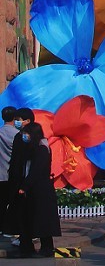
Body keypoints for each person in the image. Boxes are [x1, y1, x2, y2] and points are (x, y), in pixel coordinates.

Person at [4, 121, 60, 257]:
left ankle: (46, 248)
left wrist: (25, 186)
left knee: (42, 219)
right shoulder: (30, 147)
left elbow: (36, 170)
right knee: (26, 218)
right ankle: (26, 246)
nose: (25, 136)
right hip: (28, 189)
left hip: (39, 189)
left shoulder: (42, 148)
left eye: (27, 134)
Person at [0, 105, 16, 234]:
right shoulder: (17, 134)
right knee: (13, 203)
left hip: (0, 174)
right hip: (11, 174)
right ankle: (8, 228)